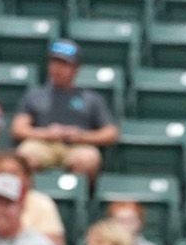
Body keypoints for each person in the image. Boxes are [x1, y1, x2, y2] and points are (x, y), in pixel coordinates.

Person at [10, 39, 119, 180]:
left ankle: (79, 200)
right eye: (54, 63)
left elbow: (110, 133)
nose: (57, 68)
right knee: (23, 157)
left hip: (78, 146)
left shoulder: (91, 98)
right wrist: (47, 133)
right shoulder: (35, 95)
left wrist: (81, 136)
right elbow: (18, 128)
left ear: (76, 69)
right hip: (43, 143)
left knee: (87, 160)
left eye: (64, 64)